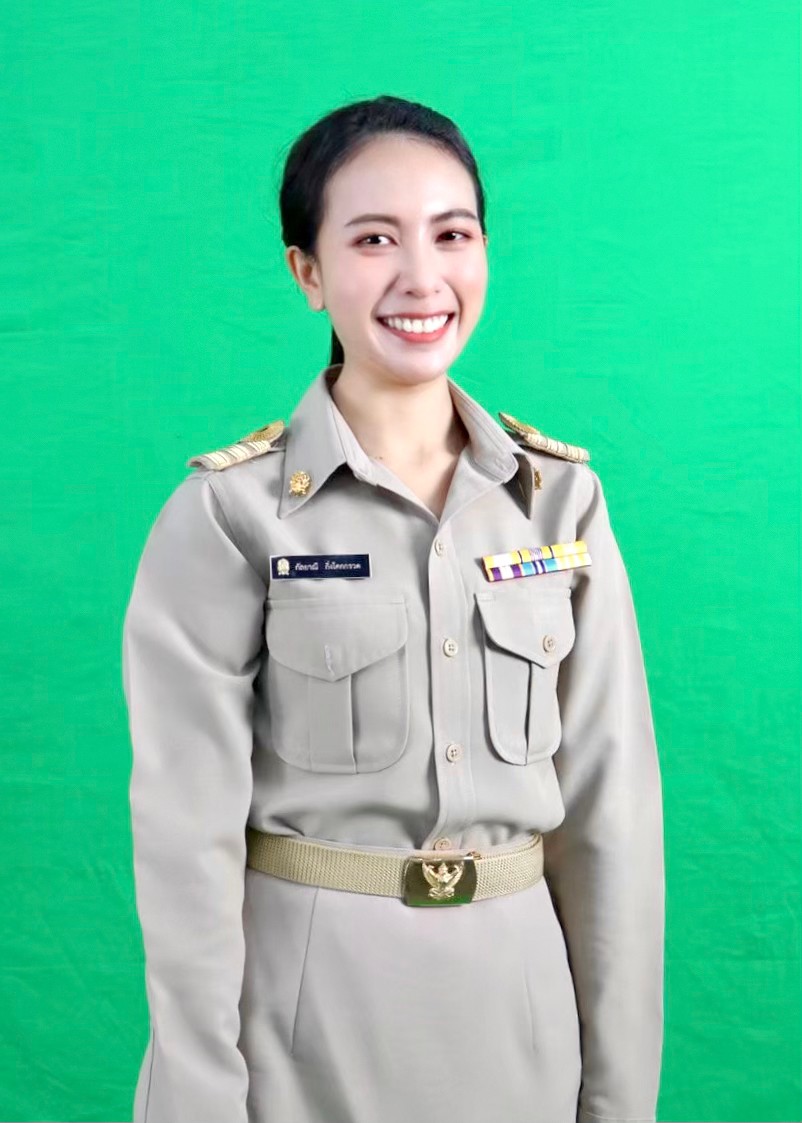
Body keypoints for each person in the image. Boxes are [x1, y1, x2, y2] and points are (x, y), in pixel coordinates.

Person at [122, 94, 665, 1123]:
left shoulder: (561, 505)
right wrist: (201, 1097)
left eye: (452, 235)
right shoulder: (230, 515)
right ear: (308, 271)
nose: (421, 277)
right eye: (373, 239)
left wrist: (619, 1095)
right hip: (299, 1039)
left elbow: (614, 822)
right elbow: (183, 843)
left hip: (520, 1032)